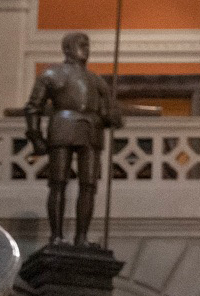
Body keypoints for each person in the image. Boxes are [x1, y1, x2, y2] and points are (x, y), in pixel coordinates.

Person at [21, 31, 124, 245]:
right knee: (58, 183)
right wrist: (36, 137)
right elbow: (33, 108)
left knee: (89, 185)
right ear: (67, 48)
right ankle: (56, 235)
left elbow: (107, 113)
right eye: (81, 44)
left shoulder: (97, 81)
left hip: (91, 131)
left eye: (87, 45)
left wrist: (113, 116)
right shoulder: (52, 74)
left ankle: (82, 237)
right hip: (63, 127)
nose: (86, 49)